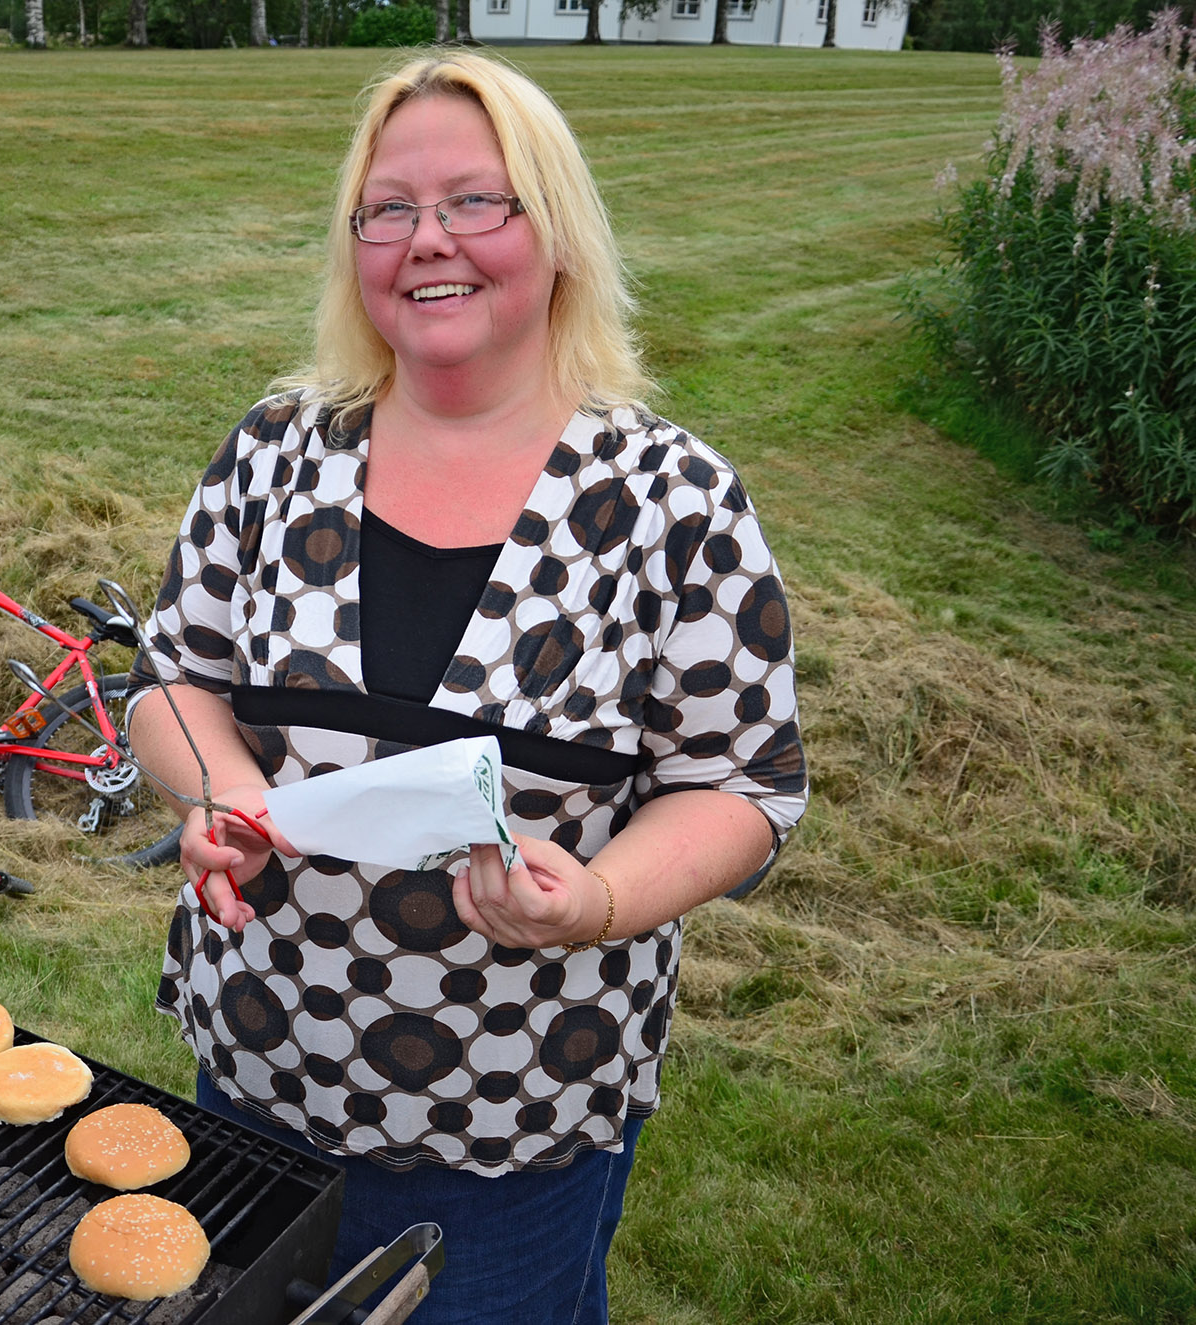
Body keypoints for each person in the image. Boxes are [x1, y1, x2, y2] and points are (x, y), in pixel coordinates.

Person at [127, 49, 807, 1324]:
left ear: (553, 231)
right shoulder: (277, 451)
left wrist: (601, 896)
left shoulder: (668, 502)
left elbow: (740, 783)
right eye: (388, 208)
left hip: (514, 1106)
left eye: (474, 201)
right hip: (260, 1057)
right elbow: (174, 677)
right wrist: (224, 784)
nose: (426, 239)